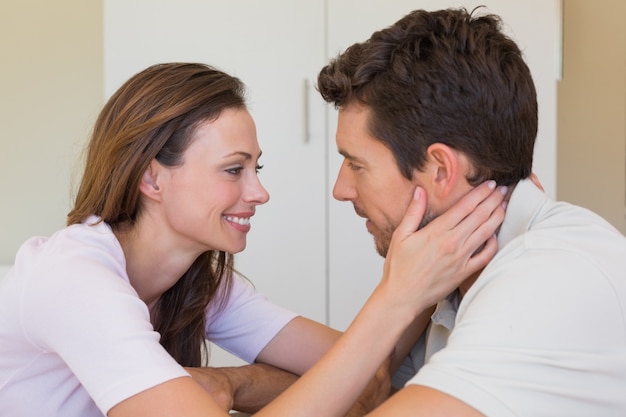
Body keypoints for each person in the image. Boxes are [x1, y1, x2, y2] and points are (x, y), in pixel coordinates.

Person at [0, 62, 506, 416]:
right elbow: (353, 375)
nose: (259, 192)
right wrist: (398, 293)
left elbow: (367, 372)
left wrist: (233, 383)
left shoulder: (200, 283)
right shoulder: (76, 282)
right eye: (233, 170)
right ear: (152, 179)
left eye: (255, 168)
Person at [314, 6, 626, 416]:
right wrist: (233, 383)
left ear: (441, 170)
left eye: (356, 165)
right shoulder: (454, 265)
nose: (341, 189)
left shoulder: (549, 280)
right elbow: (367, 391)